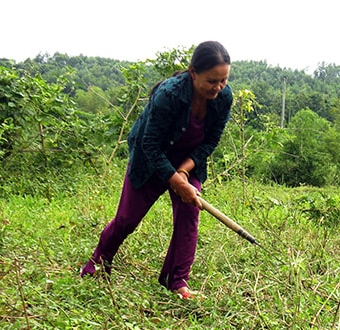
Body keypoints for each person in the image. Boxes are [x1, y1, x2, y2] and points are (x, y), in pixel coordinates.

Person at [80, 41, 233, 299]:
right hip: (149, 158)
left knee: (189, 213)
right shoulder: (170, 93)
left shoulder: (223, 98)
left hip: (188, 161)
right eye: (211, 81)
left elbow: (211, 140)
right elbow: (149, 143)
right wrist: (174, 179)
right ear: (193, 72)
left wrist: (184, 172)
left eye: (223, 80)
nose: (218, 87)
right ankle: (97, 263)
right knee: (127, 219)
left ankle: (176, 281)